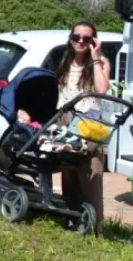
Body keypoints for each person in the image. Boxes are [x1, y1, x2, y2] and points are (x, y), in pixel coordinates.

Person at [51, 22, 111, 234]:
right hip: (65, 119)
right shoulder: (63, 61)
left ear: (94, 41)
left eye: (87, 38)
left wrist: (95, 57)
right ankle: (72, 218)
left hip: (89, 122)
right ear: (71, 38)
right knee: (69, 172)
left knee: (91, 174)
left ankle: (97, 226)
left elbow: (102, 89)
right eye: (77, 37)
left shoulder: (101, 62)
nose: (81, 42)